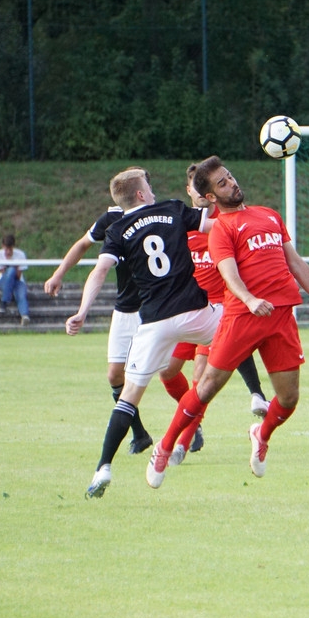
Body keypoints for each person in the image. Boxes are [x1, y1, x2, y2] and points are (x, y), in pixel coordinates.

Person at [146, 156, 309, 490]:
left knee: (289, 398)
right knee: (205, 387)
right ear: (210, 197)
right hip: (241, 316)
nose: (232, 183)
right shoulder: (221, 227)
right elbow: (228, 272)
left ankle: (260, 434)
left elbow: (294, 261)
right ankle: (164, 446)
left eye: (230, 177)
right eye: (222, 183)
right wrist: (250, 299)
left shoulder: (268, 214)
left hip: (280, 315)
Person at [65, 168, 222, 499]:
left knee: (127, 399)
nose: (151, 190)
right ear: (140, 193)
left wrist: (81, 311)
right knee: (240, 330)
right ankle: (258, 396)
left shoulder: (118, 228)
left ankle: (102, 468)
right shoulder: (172, 209)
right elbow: (218, 225)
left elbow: (100, 271)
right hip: (195, 312)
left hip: (153, 324)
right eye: (147, 186)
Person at [156, 162, 271, 465]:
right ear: (192, 191)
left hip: (221, 308)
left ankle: (182, 441)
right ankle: (192, 416)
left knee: (200, 377)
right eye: (195, 184)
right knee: (167, 371)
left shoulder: (226, 220)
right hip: (188, 309)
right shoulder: (181, 223)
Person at [44, 180, 154, 458]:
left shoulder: (162, 216)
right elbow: (83, 245)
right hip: (126, 309)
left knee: (167, 372)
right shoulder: (112, 219)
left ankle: (192, 424)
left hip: (158, 308)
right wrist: (59, 273)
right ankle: (139, 434)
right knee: (115, 375)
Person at [0, 234, 30, 326]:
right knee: (12, 270)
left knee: (21, 295)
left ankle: (24, 315)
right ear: (2, 247)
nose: (8, 252)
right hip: (3, 281)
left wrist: (11, 268)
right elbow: (3, 272)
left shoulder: (20, 255)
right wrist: (14, 267)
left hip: (18, 281)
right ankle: (5, 301)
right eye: (6, 249)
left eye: (10, 249)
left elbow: (18, 275)